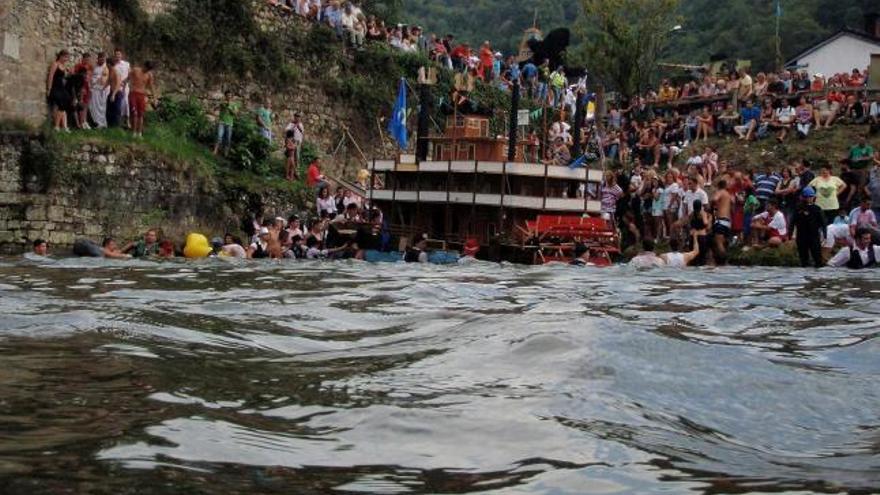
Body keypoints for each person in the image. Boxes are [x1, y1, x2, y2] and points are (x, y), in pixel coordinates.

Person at [792, 186, 826, 268]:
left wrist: (825, 235)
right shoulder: (798, 208)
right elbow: (792, 222)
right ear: (803, 197)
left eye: (811, 197)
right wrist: (790, 234)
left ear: (814, 197)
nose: (809, 198)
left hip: (814, 236)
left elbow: (823, 223)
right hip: (801, 236)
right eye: (807, 197)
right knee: (803, 259)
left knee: (817, 259)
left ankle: (817, 275)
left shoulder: (817, 209)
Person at [128, 61, 155, 138]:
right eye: (147, 68)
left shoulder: (149, 75)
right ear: (144, 65)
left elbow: (151, 86)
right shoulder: (136, 70)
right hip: (133, 93)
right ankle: (133, 132)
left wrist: (154, 97)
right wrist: (124, 84)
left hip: (142, 95)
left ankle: (139, 133)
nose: (147, 70)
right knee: (134, 113)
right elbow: (128, 77)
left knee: (141, 115)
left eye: (149, 69)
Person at [47, 50, 71, 132]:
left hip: (62, 87)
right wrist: (49, 89)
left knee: (65, 103)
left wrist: (68, 73)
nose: (66, 59)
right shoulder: (55, 64)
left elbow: (65, 78)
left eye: (67, 57)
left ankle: (64, 126)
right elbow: (51, 76)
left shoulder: (64, 66)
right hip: (55, 87)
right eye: (65, 57)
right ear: (60, 56)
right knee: (61, 105)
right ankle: (57, 126)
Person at [712, 180, 733, 265]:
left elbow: (714, 199)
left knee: (719, 243)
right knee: (724, 243)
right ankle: (724, 261)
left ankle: (723, 263)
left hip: (721, 220)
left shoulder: (721, 192)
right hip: (727, 222)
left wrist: (715, 206)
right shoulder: (728, 194)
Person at [213, 91, 239, 156]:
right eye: (227, 95)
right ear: (225, 96)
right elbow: (215, 108)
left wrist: (230, 107)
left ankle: (225, 153)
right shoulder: (223, 102)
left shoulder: (234, 104)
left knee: (228, 139)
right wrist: (220, 105)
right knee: (219, 136)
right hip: (221, 122)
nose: (229, 97)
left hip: (229, 123)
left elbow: (235, 113)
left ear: (231, 96)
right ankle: (215, 150)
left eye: (230, 95)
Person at [88, 52, 109, 128]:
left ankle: (101, 122)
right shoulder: (94, 66)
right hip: (93, 88)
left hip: (101, 88)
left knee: (101, 106)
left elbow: (103, 78)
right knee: (92, 105)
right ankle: (95, 121)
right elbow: (90, 74)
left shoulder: (106, 67)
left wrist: (96, 83)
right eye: (101, 58)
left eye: (103, 58)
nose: (102, 60)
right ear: (98, 58)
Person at [113, 48, 132, 128]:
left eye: (119, 54)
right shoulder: (114, 65)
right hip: (117, 86)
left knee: (126, 102)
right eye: (116, 54)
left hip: (125, 85)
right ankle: (119, 121)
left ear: (121, 55)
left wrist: (125, 81)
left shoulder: (126, 64)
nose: (117, 56)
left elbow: (130, 74)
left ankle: (127, 121)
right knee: (119, 103)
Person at [105, 57, 123, 128]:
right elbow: (109, 81)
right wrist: (102, 88)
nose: (106, 65)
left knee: (116, 109)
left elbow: (118, 84)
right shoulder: (110, 71)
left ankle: (116, 126)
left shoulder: (116, 72)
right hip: (111, 92)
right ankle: (110, 125)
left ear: (109, 64)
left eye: (106, 63)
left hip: (117, 93)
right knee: (109, 109)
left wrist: (113, 94)